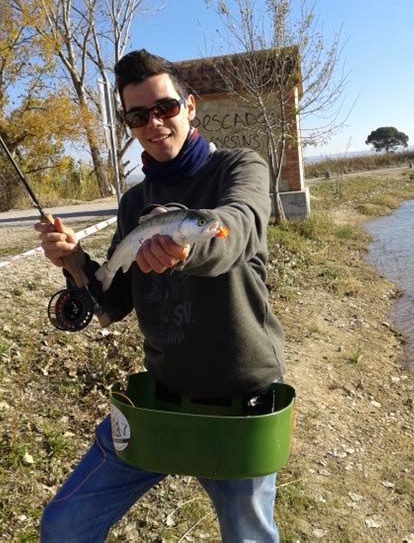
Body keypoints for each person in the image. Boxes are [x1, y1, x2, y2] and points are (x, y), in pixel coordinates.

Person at [35, 49, 285, 542]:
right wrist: (73, 261)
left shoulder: (240, 169)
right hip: (159, 401)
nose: (155, 123)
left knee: (249, 536)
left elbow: (240, 224)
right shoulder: (134, 203)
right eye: (138, 115)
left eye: (165, 107)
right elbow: (112, 301)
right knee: (63, 526)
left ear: (189, 107)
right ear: (128, 124)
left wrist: (185, 248)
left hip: (241, 403)